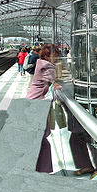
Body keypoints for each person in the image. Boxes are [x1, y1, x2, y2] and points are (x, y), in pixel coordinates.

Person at [26, 45, 62, 173]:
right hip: (37, 105)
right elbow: (57, 82)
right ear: (47, 56)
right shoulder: (48, 66)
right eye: (55, 56)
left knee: (40, 140)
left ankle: (41, 169)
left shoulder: (40, 64)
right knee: (42, 140)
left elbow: (53, 82)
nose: (57, 58)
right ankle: (42, 170)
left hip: (32, 102)